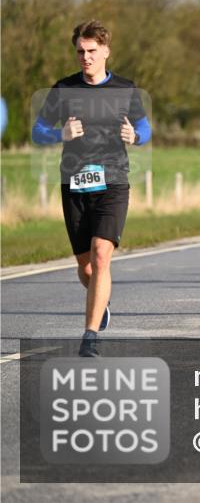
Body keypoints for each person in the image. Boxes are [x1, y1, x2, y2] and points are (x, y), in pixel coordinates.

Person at [32, 20, 151, 357]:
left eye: (92, 51)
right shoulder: (63, 89)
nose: (85, 57)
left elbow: (144, 128)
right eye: (80, 52)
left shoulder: (126, 90)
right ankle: (101, 300)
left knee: (101, 254)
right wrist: (60, 135)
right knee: (86, 268)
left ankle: (90, 336)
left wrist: (137, 137)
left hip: (113, 181)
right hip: (75, 184)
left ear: (106, 51)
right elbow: (38, 130)